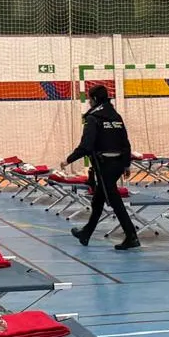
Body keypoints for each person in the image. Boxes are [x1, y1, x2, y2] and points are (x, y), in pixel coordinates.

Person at [67, 84, 139, 250]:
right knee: (98, 200)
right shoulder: (116, 117)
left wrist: (68, 160)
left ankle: (131, 236)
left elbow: (86, 146)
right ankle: (86, 233)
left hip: (105, 166)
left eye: (89, 99)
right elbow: (125, 142)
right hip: (118, 165)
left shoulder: (94, 118)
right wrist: (126, 164)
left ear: (93, 99)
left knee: (115, 201)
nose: (89, 102)